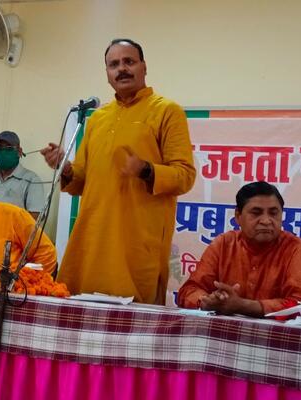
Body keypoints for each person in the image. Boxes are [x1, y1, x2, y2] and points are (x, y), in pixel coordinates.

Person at [41, 38, 196, 304]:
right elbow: (81, 179)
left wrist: (145, 170)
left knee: (133, 320)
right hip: (92, 241)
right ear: (107, 74)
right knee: (80, 315)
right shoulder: (97, 119)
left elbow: (185, 176)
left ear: (144, 67)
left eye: (129, 61)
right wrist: (64, 167)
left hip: (136, 243)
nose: (121, 69)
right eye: (114, 64)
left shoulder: (167, 111)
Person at [177, 182, 301, 316]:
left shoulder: (297, 249)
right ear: (238, 216)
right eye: (256, 213)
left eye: (273, 213)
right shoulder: (224, 244)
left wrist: (243, 306)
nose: (266, 221)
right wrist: (207, 301)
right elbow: (189, 291)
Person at [0, 131, 45, 220]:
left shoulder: (32, 180)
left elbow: (35, 217)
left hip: (15, 229)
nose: (3, 152)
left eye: (8, 149)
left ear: (19, 152)